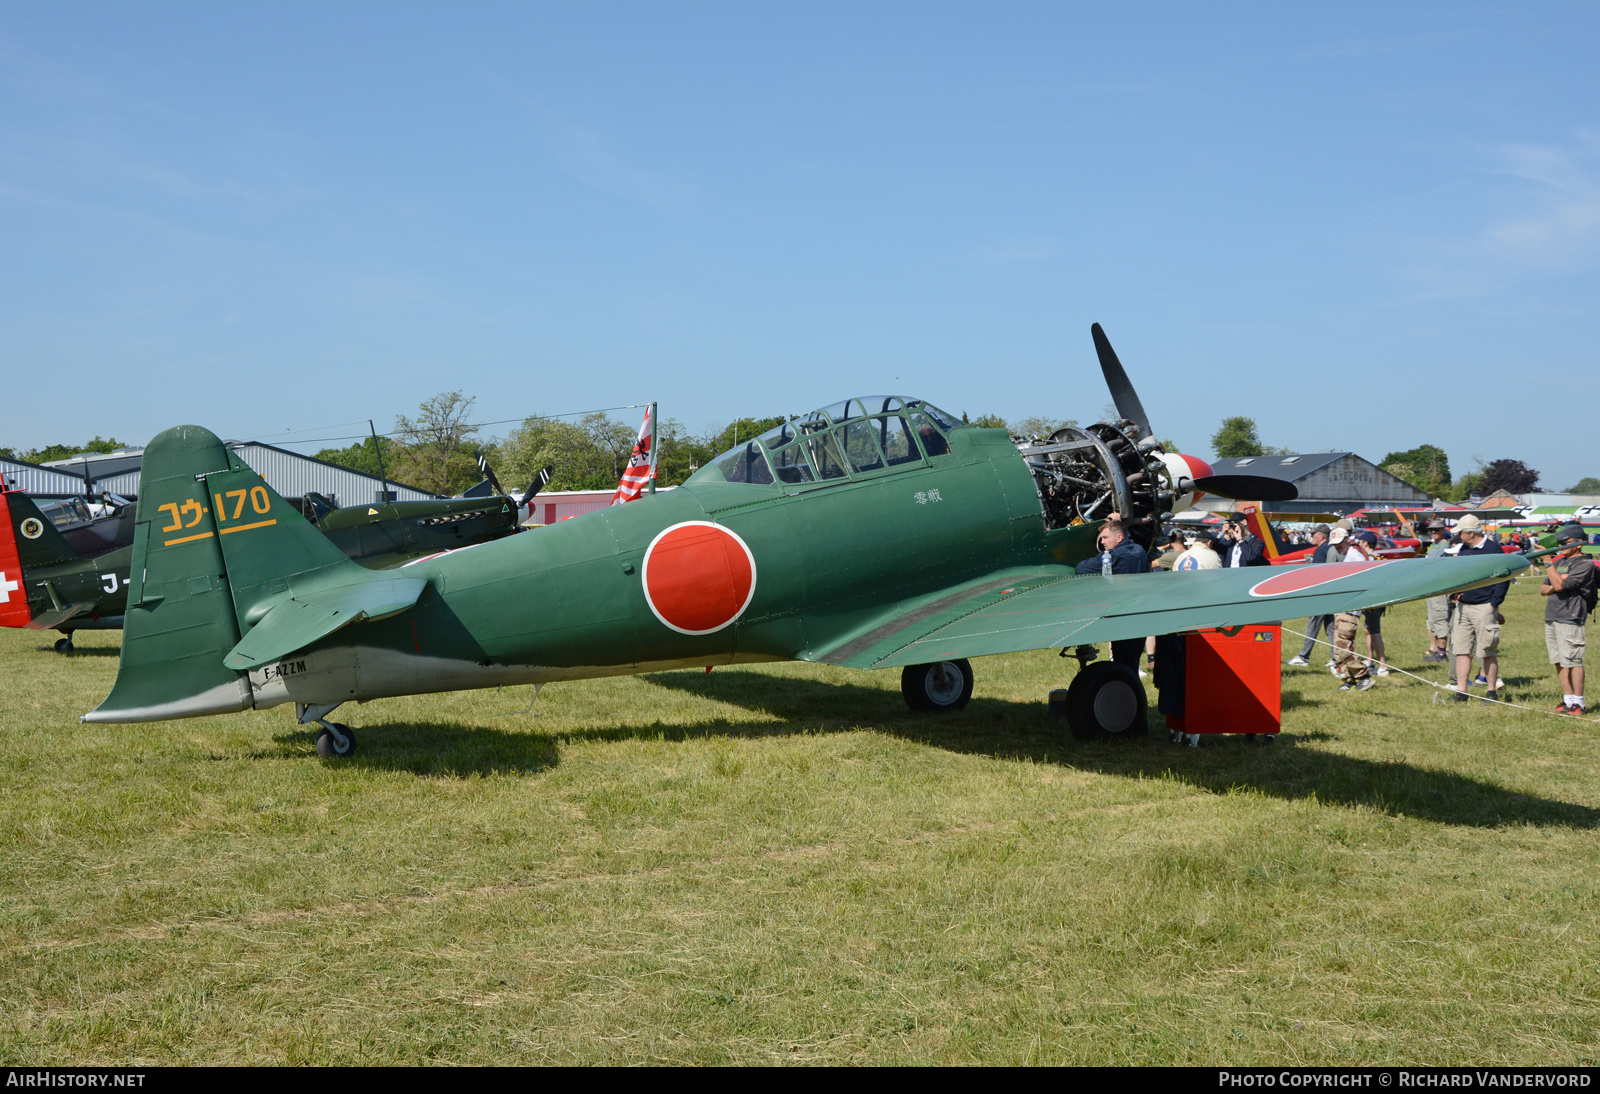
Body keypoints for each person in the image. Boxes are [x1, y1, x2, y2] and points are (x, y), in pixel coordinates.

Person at [1074, 516, 1150, 672]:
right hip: (1141, 615)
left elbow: (1081, 569)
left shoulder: (1113, 556)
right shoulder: (1140, 550)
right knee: (1134, 659)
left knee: (1124, 663)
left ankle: (1127, 693)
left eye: (1105, 537)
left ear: (1119, 537)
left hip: (1123, 616)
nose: (1102, 542)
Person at [1448, 514, 1510, 705]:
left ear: (1470, 533)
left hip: (1484, 607)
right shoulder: (1464, 549)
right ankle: (1461, 692)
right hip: (1463, 607)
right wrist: (1455, 594)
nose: (1458, 536)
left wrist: (1493, 603)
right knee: (1461, 650)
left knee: (1486, 651)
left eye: (1460, 533)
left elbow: (1503, 577)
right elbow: (1460, 575)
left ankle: (1491, 692)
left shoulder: (1493, 549)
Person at [1540, 524, 1597, 716]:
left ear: (1579, 544)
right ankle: (1568, 700)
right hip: (1553, 615)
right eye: (1560, 542)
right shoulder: (1559, 561)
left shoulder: (1585, 565)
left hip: (1571, 616)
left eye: (1566, 542)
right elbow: (1544, 589)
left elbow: (1557, 584)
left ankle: (1579, 704)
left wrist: (1553, 573)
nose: (1561, 545)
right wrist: (1558, 582)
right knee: (1559, 661)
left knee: (1573, 660)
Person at [1326, 527, 1375, 691]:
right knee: (1338, 649)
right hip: (1342, 607)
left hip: (1351, 608)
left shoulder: (1355, 556)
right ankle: (1349, 679)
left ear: (1347, 539)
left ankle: (1363, 675)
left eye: (1339, 543)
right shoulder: (1347, 556)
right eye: (1335, 544)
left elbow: (1366, 578)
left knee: (1344, 647)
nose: (1337, 546)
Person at [1287, 523, 1335, 667]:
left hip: (1320, 594)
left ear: (1321, 536)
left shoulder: (1320, 551)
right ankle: (1335, 658)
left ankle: (1303, 657)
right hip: (1331, 593)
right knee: (1331, 627)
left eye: (1314, 534)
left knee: (1312, 624)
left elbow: (1318, 574)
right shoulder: (1331, 549)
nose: (1312, 536)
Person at [1353, 530, 1390, 676]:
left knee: (1375, 631)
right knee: (1367, 629)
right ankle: (1370, 660)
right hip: (1377, 600)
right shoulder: (1382, 557)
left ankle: (1383, 666)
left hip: (1373, 601)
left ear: (1366, 543)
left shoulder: (1369, 559)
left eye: (1361, 542)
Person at [1421, 523, 1453, 663]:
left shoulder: (1445, 547)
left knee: (1440, 619)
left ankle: (1442, 653)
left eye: (1437, 530)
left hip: (1439, 587)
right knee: (1432, 619)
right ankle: (1437, 650)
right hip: (1430, 586)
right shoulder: (1434, 546)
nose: (1433, 532)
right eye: (1431, 530)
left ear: (1443, 530)